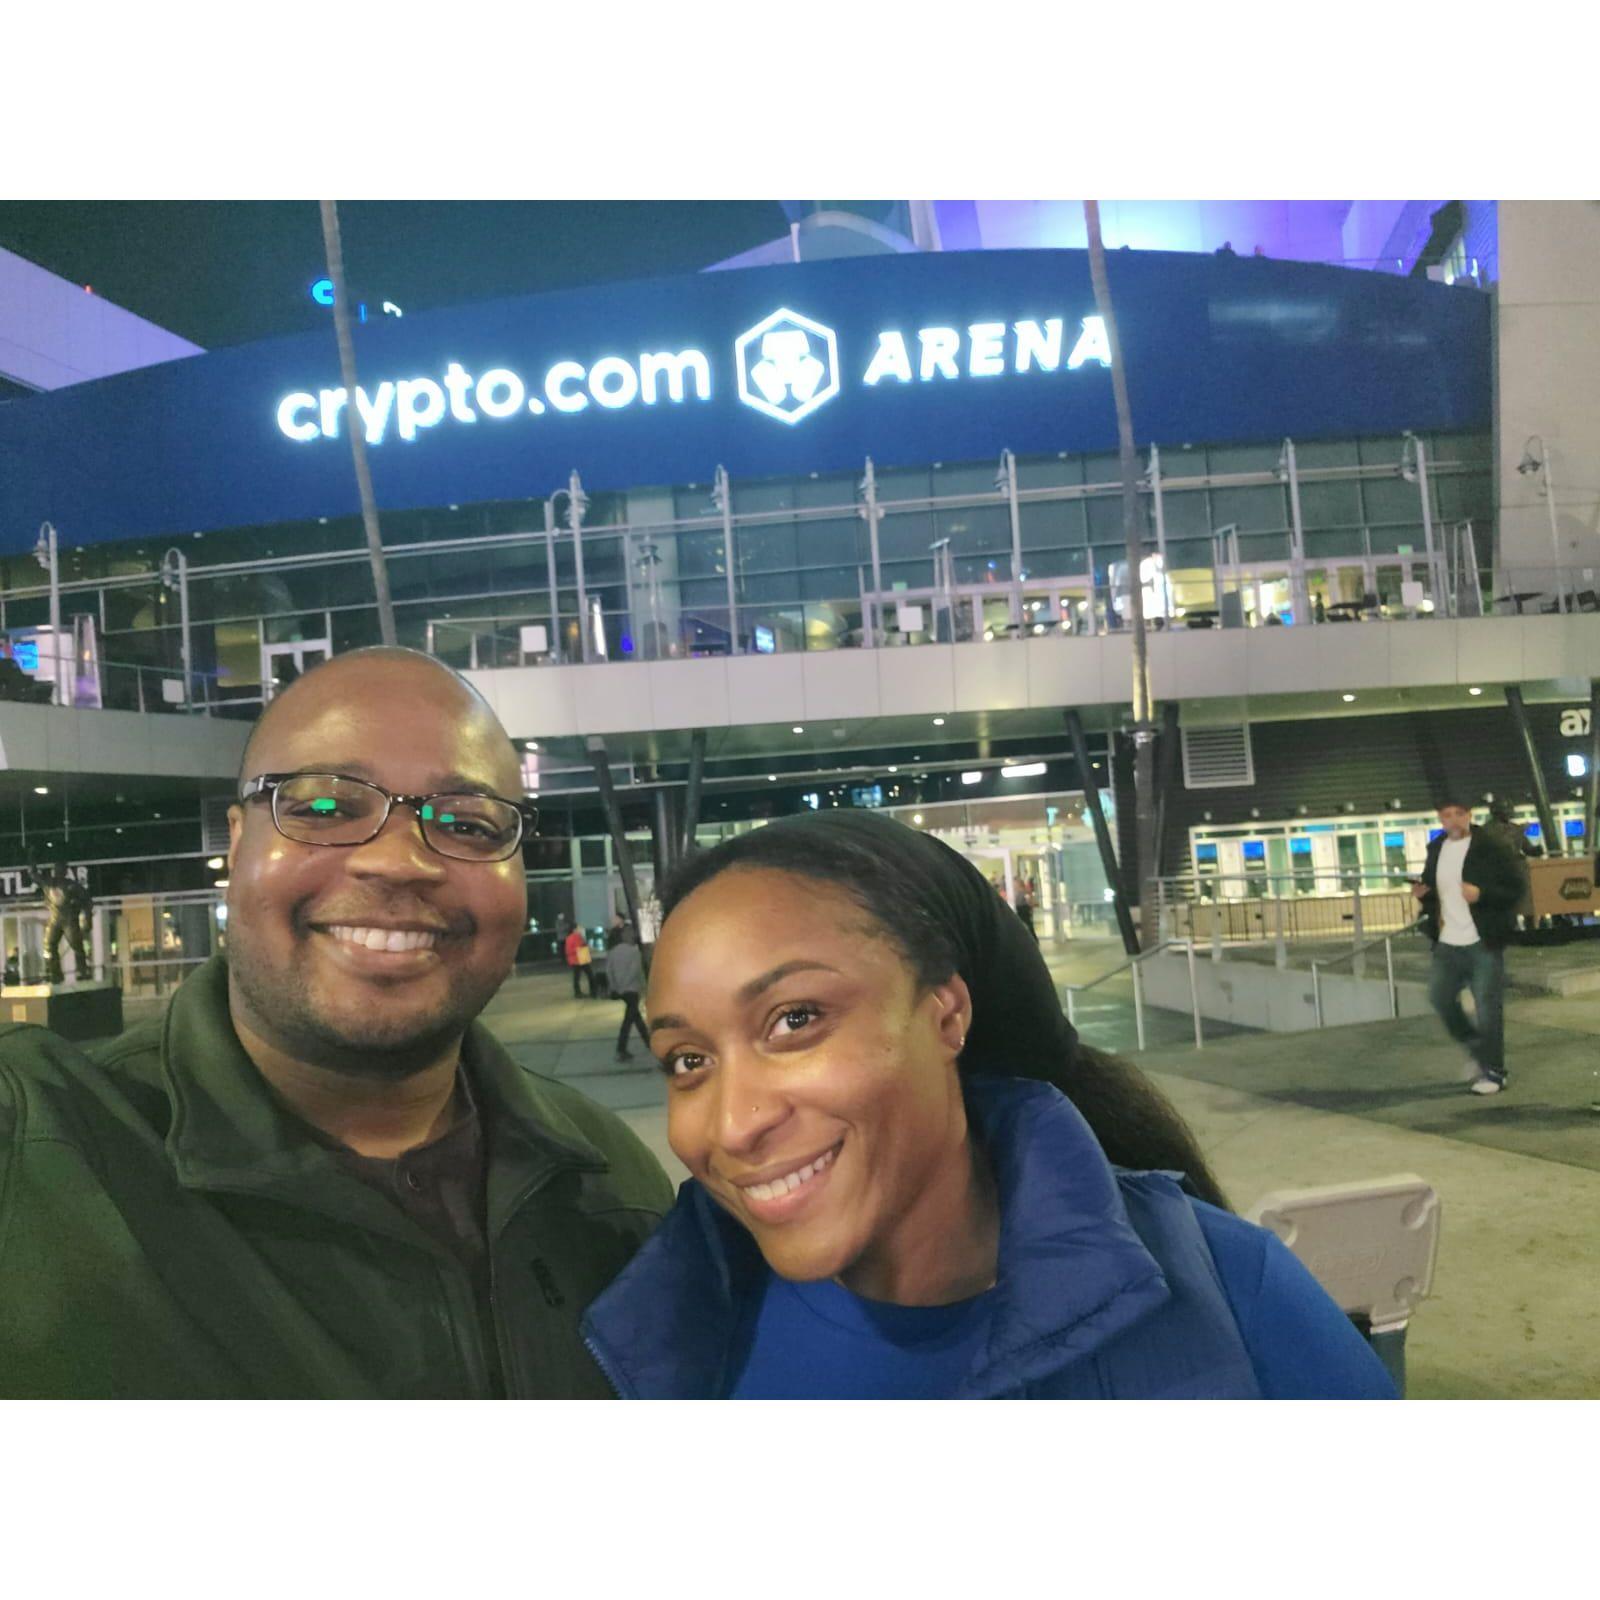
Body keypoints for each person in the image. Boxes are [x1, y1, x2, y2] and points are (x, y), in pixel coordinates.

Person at [0, 647, 673, 1397]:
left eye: (469, 824)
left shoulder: (612, 1182)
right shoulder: (38, 1157)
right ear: (237, 843)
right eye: (324, 808)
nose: (399, 861)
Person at [581, 811, 1395, 1400]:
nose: (732, 1124)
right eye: (688, 1061)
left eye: (795, 1020)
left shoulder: (1232, 1293)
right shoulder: (668, 1345)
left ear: (947, 1014)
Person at [1413, 796, 1524, 1096]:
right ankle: (1478, 1049)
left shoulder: (1489, 847)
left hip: (1482, 940)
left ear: (1469, 815)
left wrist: (1482, 894)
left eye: (1459, 814)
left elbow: (1515, 888)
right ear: (1440, 819)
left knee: (1488, 1007)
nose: (1454, 820)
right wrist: (1424, 894)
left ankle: (1494, 1072)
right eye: (1447, 815)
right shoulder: (1437, 848)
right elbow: (1436, 890)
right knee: (1440, 997)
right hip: (1447, 940)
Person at [607, 924, 650, 1064]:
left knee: (635, 1017)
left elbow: (609, 972)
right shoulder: (634, 951)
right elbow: (635, 971)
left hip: (621, 991)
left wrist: (616, 987)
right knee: (629, 1020)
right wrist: (644, 989)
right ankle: (621, 1049)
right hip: (632, 989)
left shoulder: (613, 951)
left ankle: (648, 1042)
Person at [565, 923, 594, 998]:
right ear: (574, 929)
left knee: (589, 975)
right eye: (579, 928)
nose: (580, 929)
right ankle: (578, 993)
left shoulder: (579, 937)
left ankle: (591, 991)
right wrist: (579, 949)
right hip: (576, 960)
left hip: (582, 959)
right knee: (578, 977)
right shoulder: (570, 938)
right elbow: (569, 950)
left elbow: (582, 946)